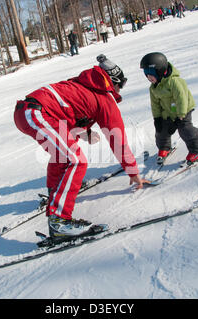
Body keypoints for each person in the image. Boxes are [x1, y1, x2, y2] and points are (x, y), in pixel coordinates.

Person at [13, 54, 149, 240]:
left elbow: (70, 111)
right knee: (75, 159)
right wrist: (133, 171)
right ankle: (60, 222)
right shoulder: (105, 98)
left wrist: (85, 131)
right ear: (113, 82)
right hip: (35, 112)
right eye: (121, 84)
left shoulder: (82, 85)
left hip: (29, 112)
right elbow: (118, 140)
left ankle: (56, 192)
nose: (120, 89)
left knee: (63, 155)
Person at [140, 52, 198, 166]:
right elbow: (155, 104)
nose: (148, 77)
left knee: (185, 130)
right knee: (161, 131)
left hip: (183, 111)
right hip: (168, 113)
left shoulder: (174, 81)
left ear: (160, 71)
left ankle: (197, 150)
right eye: (146, 74)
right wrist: (157, 119)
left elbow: (181, 98)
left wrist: (181, 114)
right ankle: (164, 148)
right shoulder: (153, 88)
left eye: (150, 73)